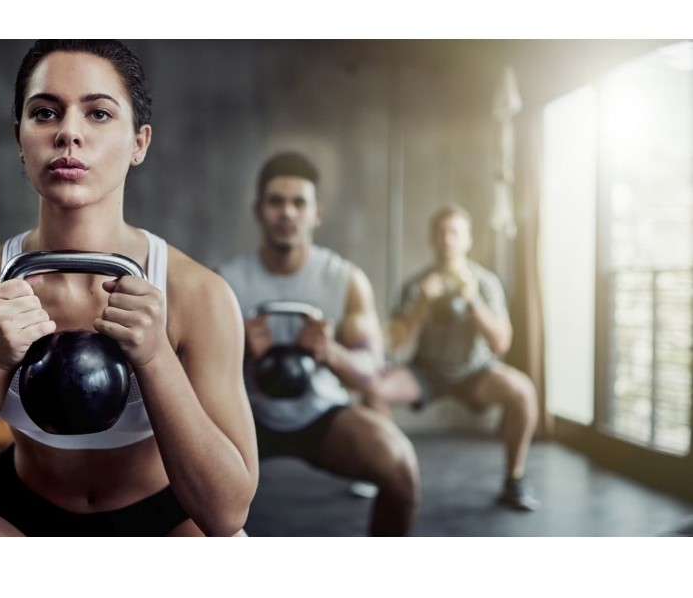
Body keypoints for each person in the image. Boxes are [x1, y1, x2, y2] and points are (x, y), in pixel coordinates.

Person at [0, 40, 258, 537]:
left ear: (139, 142)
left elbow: (228, 514)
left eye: (98, 113)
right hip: (23, 509)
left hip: (165, 511)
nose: (68, 134)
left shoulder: (199, 296)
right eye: (45, 113)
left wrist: (156, 357)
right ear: (19, 137)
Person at [218, 152, 420, 536]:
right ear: (259, 211)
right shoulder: (224, 282)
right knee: (172, 479)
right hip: (246, 415)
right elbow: (194, 373)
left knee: (400, 467)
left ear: (317, 214)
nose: (288, 213)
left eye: (299, 203)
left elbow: (373, 372)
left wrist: (332, 353)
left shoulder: (345, 280)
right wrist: (239, 350)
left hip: (320, 415)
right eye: (276, 202)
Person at [371, 204, 541, 511]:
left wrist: (473, 301)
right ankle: (387, 470)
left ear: (468, 240)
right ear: (432, 240)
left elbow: (501, 343)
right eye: (441, 233)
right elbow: (396, 344)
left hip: (475, 372)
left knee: (523, 391)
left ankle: (514, 479)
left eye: (454, 233)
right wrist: (423, 302)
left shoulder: (485, 283)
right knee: (373, 390)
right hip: (426, 372)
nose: (447, 239)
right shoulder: (415, 285)